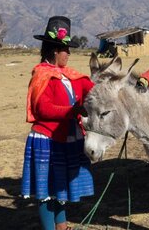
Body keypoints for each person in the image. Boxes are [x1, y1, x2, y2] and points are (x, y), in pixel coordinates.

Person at [20, 16, 94, 230]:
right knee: (46, 191)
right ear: (55, 51)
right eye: (66, 50)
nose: (69, 54)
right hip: (47, 139)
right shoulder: (42, 75)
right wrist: (73, 111)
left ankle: (61, 226)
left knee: (60, 187)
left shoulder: (71, 76)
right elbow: (42, 108)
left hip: (68, 138)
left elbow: (93, 91)